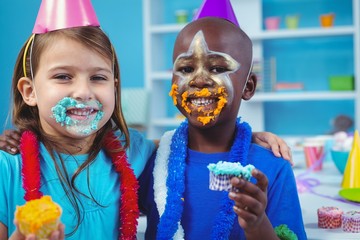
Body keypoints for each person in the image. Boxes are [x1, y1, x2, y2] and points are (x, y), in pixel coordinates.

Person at [138, 0, 307, 239]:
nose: (198, 80)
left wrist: (257, 224)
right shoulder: (152, 162)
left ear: (248, 87)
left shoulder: (272, 167)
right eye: (186, 69)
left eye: (217, 68)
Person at [0, 0, 156, 239]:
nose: (83, 91)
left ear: (114, 89)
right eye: (63, 76)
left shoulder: (135, 150)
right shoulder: (7, 168)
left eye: (98, 77)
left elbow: (188, 152)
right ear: (30, 91)